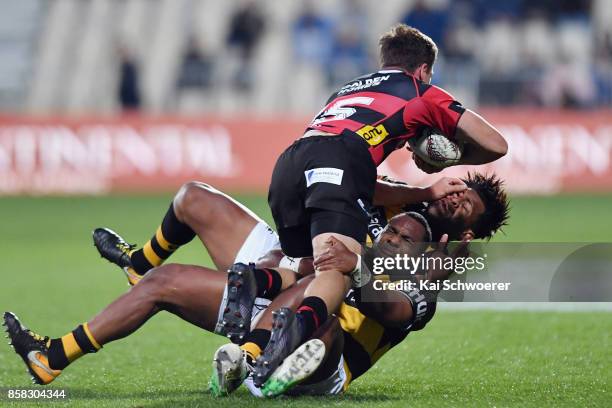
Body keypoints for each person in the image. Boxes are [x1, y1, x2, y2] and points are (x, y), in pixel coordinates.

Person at [3, 174, 509, 388]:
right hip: (278, 279)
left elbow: (393, 312)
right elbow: (346, 181)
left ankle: (253, 356)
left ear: (464, 232)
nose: (452, 196)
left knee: (322, 285)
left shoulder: (430, 273)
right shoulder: (400, 206)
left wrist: (358, 267)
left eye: (463, 203)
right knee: (185, 218)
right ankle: (52, 357)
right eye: (458, 187)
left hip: (324, 349)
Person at [259, 23, 508, 383]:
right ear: (423, 70)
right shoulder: (421, 91)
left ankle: (253, 339)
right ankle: (281, 340)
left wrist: (424, 191)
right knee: (329, 272)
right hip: (339, 161)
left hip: (292, 163)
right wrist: (448, 160)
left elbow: (362, 180)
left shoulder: (345, 90)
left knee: (302, 265)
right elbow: (496, 144)